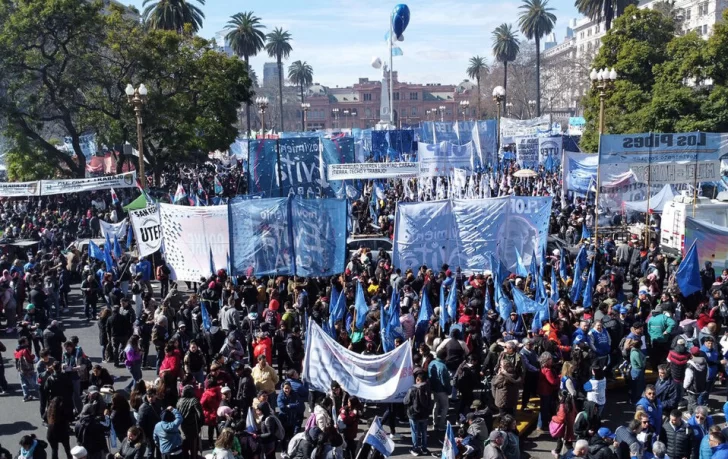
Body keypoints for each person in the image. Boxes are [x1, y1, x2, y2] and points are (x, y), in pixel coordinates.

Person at [403, 371, 432, 457]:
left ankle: (415, 448)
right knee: (424, 431)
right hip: (425, 414)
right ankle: (424, 448)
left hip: (414, 414)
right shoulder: (427, 388)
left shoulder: (412, 389)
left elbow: (405, 401)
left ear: (417, 379)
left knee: (415, 432)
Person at [428, 348, 451, 432]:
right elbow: (445, 382)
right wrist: (449, 390)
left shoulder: (431, 363)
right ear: (444, 357)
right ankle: (441, 424)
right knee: (445, 407)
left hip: (434, 389)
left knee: (436, 405)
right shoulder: (443, 367)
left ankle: (435, 424)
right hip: (442, 390)